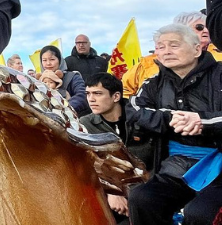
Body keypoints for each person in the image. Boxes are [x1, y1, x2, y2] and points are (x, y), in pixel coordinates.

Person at [126, 24, 222, 225]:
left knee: (199, 213)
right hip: (176, 167)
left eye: (174, 45)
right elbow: (134, 110)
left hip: (219, 170)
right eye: (160, 47)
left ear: (197, 49)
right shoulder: (153, 83)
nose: (166, 51)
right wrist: (171, 119)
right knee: (142, 198)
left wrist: (203, 121)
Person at [80, 73, 153, 224]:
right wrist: (111, 191)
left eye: (97, 94)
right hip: (111, 191)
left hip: (148, 189)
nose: (91, 99)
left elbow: (158, 157)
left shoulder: (142, 118)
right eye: (88, 94)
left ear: (116, 97)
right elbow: (87, 165)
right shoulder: (85, 124)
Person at [122, 11, 217, 98]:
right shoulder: (148, 65)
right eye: (199, 27)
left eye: (208, 26)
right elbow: (125, 91)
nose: (206, 30)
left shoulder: (217, 65)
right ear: (180, 30)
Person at [39, 45, 89, 116]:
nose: (48, 63)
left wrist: (64, 109)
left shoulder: (73, 77)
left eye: (52, 59)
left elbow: (82, 95)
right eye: (44, 60)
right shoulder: (39, 80)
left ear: (60, 60)